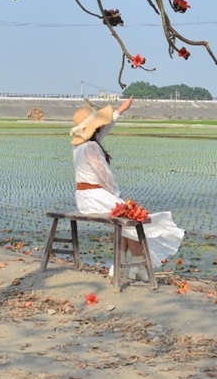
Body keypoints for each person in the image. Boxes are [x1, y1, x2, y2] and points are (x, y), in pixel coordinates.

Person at [70, 96, 184, 278]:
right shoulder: (91, 147)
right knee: (131, 220)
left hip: (84, 197)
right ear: (94, 127)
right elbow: (105, 176)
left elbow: (103, 131)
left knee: (124, 223)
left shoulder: (81, 146)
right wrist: (117, 196)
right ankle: (134, 265)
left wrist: (121, 110)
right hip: (95, 196)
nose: (101, 127)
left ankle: (125, 266)